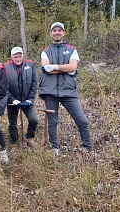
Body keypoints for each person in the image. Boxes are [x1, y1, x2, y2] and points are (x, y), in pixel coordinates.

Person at [39, 22, 92, 156]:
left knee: (82, 121)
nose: (57, 32)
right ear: (51, 34)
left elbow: (73, 67)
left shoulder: (72, 49)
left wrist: (55, 67)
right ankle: (54, 148)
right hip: (50, 92)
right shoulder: (45, 51)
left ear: (63, 33)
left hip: (68, 91)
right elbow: (46, 69)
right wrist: (64, 68)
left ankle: (87, 148)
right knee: (53, 122)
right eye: (54, 30)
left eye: (59, 30)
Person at [4, 47, 38, 147]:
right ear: (12, 57)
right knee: (12, 124)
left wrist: (30, 99)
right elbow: (4, 85)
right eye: (15, 57)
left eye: (20, 56)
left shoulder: (30, 65)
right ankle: (14, 142)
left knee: (34, 119)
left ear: (22, 56)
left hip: (27, 100)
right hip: (12, 101)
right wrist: (12, 100)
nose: (18, 59)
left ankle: (29, 138)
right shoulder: (6, 67)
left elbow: (34, 83)